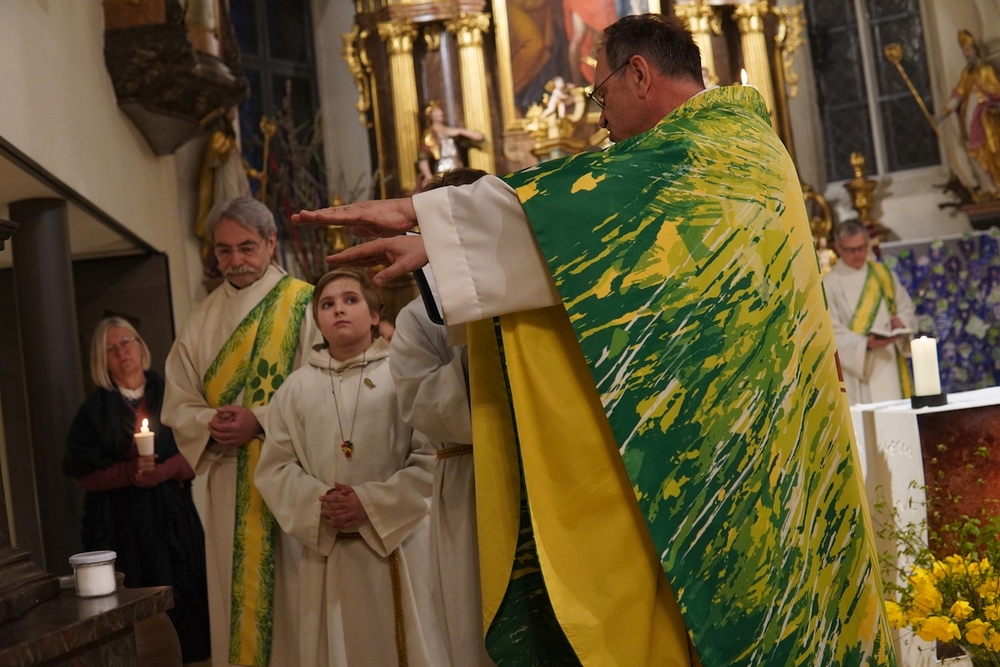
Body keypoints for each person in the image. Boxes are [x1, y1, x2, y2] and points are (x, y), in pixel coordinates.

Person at [295, 13, 895, 667]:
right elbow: (620, 240)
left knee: (756, 605)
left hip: (744, 428)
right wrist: (438, 236)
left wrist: (422, 216)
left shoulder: (709, 150)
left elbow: (592, 209)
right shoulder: (747, 148)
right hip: (740, 420)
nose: (599, 115)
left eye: (600, 91)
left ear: (639, 74)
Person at [254, 268, 446, 667]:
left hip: (399, 543)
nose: (339, 309)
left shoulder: (403, 374)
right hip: (327, 551)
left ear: (375, 315)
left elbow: (432, 457)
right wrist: (322, 503)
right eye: (327, 304)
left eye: (350, 300)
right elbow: (275, 469)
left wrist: (370, 504)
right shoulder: (294, 390)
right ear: (317, 321)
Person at [162, 196, 316, 667]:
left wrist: (260, 420)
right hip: (229, 483)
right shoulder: (200, 319)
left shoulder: (305, 303)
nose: (235, 261)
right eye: (224, 250)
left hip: (294, 477)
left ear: (271, 243)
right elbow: (179, 401)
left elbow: (324, 389)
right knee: (238, 602)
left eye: (247, 247)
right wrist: (209, 423)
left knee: (299, 605)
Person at [389, 168, 495, 667]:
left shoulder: (534, 288)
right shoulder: (416, 318)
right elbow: (421, 403)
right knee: (477, 618)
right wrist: (490, 353)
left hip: (543, 469)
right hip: (469, 479)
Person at [63, 318, 210, 665]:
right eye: (110, 349)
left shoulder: (172, 395)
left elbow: (199, 451)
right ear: (101, 361)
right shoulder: (93, 412)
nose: (121, 353)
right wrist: (130, 473)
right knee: (135, 608)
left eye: (126, 342)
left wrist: (162, 472)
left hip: (172, 518)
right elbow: (83, 472)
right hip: (120, 523)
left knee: (186, 599)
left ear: (141, 347)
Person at [824, 219, 917, 405]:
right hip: (857, 368)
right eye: (851, 250)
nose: (858, 254)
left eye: (862, 247)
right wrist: (864, 344)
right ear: (838, 248)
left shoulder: (883, 274)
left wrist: (901, 321)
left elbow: (906, 309)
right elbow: (829, 333)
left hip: (890, 363)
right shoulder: (829, 284)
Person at [939, 29, 1000, 194]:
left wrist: (993, 103)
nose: (966, 53)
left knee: (993, 148)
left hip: (987, 115)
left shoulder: (986, 69)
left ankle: (998, 183)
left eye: (968, 49)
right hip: (969, 116)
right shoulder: (966, 73)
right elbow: (958, 95)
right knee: (975, 151)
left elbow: (996, 90)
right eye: (964, 51)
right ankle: (989, 186)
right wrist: (943, 114)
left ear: (975, 49)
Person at [417, 102, 485, 191]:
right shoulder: (429, 134)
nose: (440, 113)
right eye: (436, 112)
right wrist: (427, 175)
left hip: (457, 166)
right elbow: (423, 157)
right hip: (442, 168)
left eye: (440, 112)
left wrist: (460, 131)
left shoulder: (451, 130)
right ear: (431, 116)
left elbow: (479, 138)